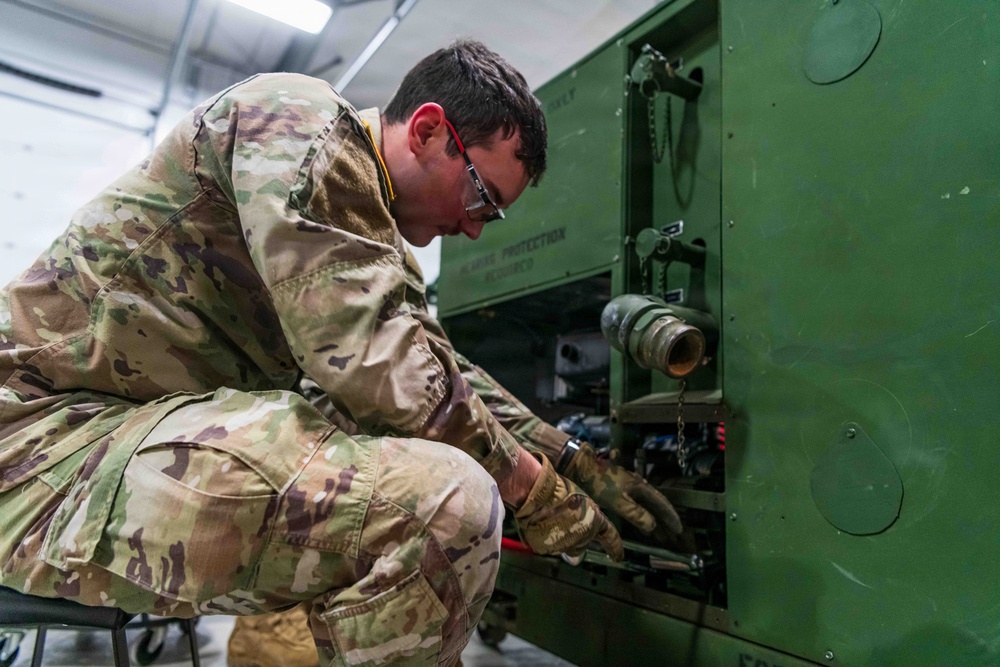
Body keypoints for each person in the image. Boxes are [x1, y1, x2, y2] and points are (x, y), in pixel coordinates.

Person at [0, 41, 681, 666]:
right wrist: (531, 486)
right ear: (428, 130)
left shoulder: (364, 221)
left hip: (112, 433)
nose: (474, 227)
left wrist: (570, 458)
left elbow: (435, 366)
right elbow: (378, 363)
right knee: (446, 504)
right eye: (481, 196)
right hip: (40, 447)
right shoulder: (298, 122)